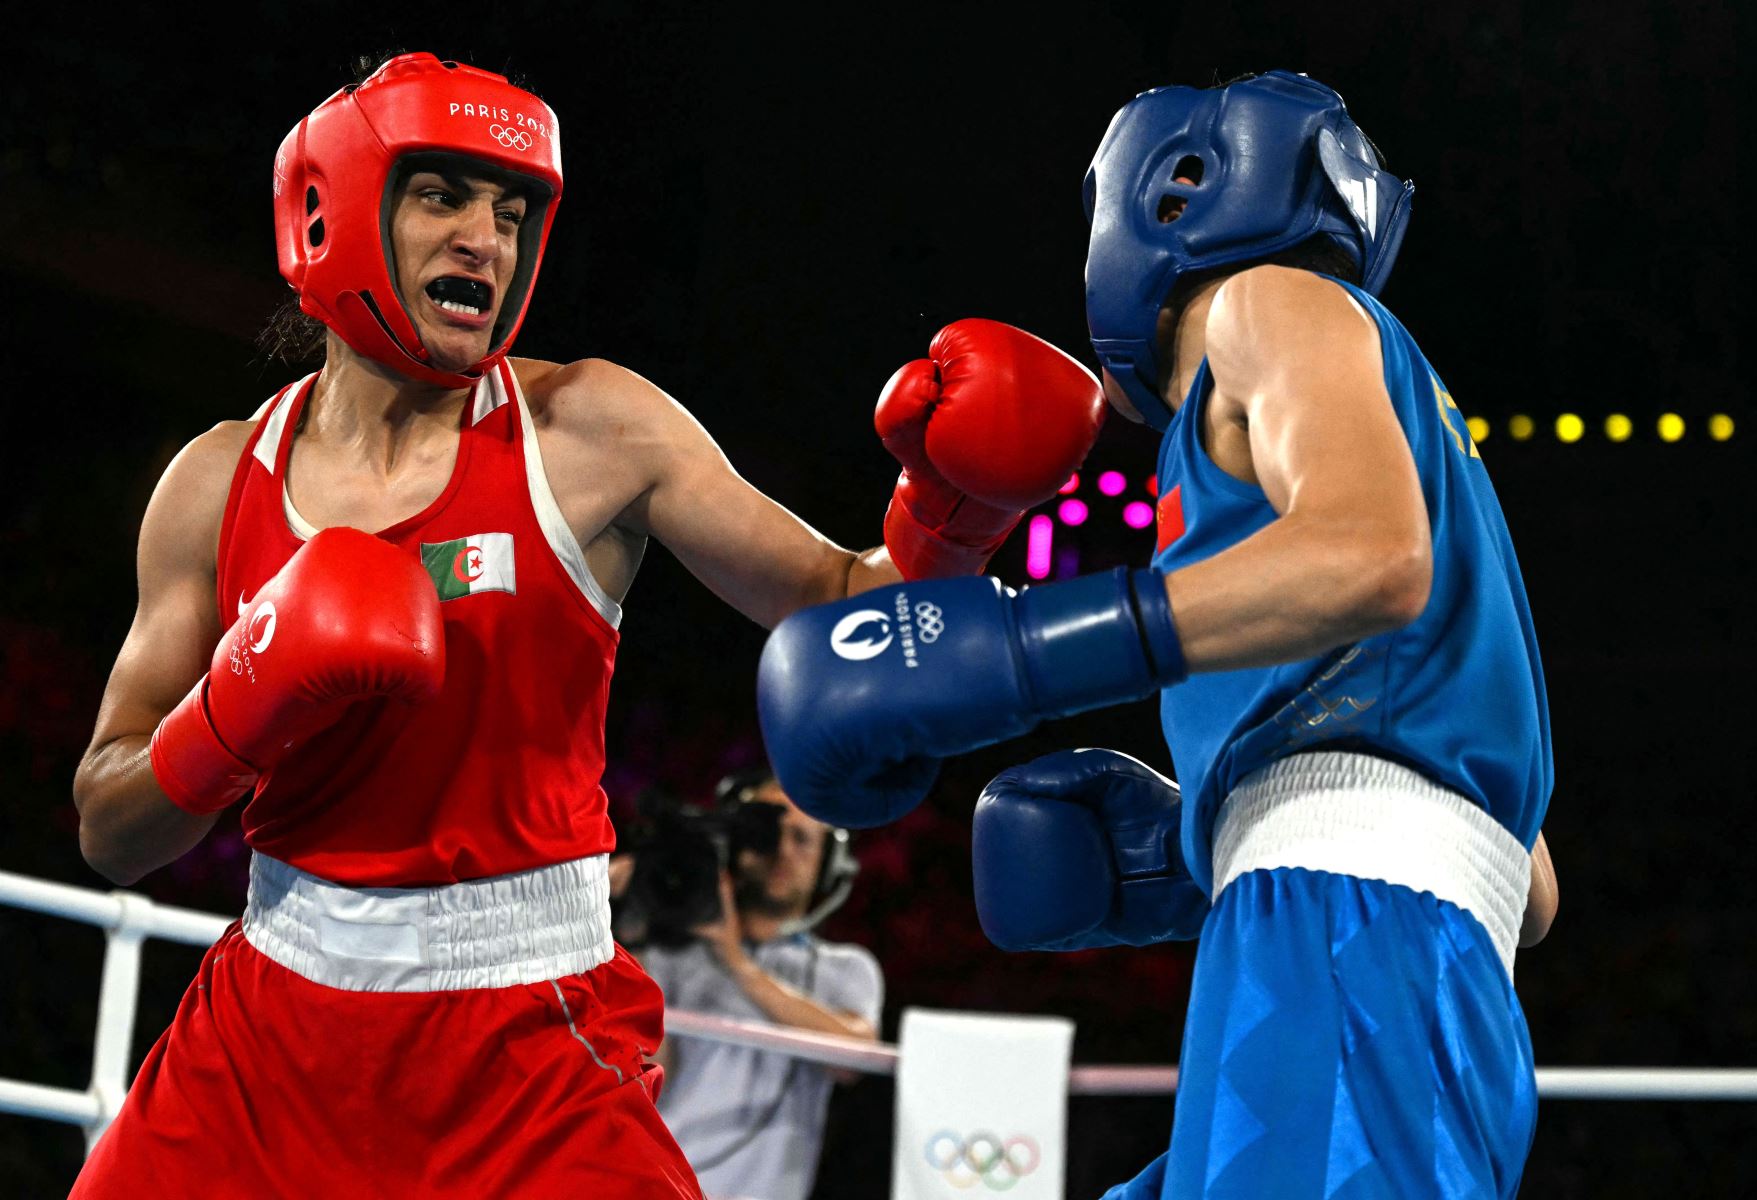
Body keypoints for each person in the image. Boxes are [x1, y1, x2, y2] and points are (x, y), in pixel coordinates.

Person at [67, 52, 1104, 1197]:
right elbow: (111, 828)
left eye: (513, 213)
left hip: (528, 1034)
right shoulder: (218, 484)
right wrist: (241, 701)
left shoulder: (590, 430)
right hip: (271, 1023)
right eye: (441, 195)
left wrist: (955, 514)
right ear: (330, 209)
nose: (486, 241)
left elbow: (842, 606)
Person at [757, 70, 1557, 1198]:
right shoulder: (1400, 419)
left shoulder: (1266, 304)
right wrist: (1197, 847)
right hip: (1409, 963)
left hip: (1348, 946)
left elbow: (1372, 558)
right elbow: (1524, 883)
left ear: (1176, 192)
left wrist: (1026, 652)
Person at [636, 770, 882, 1200]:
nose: (782, 851)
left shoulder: (846, 968)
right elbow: (644, 1080)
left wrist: (738, 963)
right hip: (658, 1188)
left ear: (829, 863)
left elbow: (855, 1060)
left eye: (802, 838)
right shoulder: (668, 956)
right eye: (765, 832)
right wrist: (631, 927)